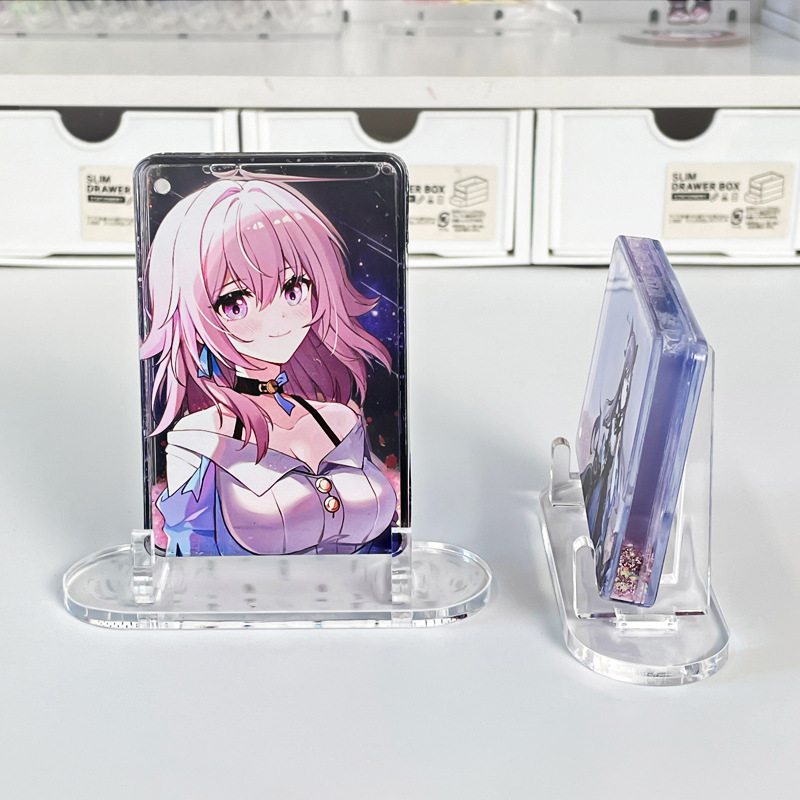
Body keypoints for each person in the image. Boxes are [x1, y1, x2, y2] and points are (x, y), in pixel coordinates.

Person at [140, 178, 399, 556]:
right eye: (236, 303)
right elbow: (190, 560)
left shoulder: (342, 420)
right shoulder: (198, 439)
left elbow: (384, 540)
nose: (278, 320)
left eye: (294, 289)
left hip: (366, 589)